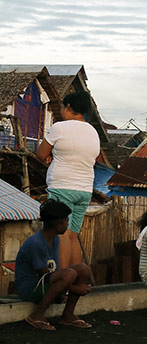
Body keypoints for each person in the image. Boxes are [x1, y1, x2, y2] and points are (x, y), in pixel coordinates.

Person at [34, 92, 99, 269]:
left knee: (60, 235)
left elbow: (40, 154)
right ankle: (75, 280)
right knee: (73, 235)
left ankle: (62, 279)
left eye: (62, 107)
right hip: (85, 189)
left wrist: (52, 156)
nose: (61, 111)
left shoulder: (59, 128)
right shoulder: (93, 132)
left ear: (68, 107)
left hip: (62, 187)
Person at [15, 200, 93, 331]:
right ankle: (37, 315)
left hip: (44, 282)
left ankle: (68, 315)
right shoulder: (36, 243)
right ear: (58, 225)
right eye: (66, 221)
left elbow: (54, 270)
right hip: (30, 288)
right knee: (70, 273)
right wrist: (74, 289)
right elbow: (44, 275)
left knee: (83, 268)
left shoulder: (55, 239)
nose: (68, 224)